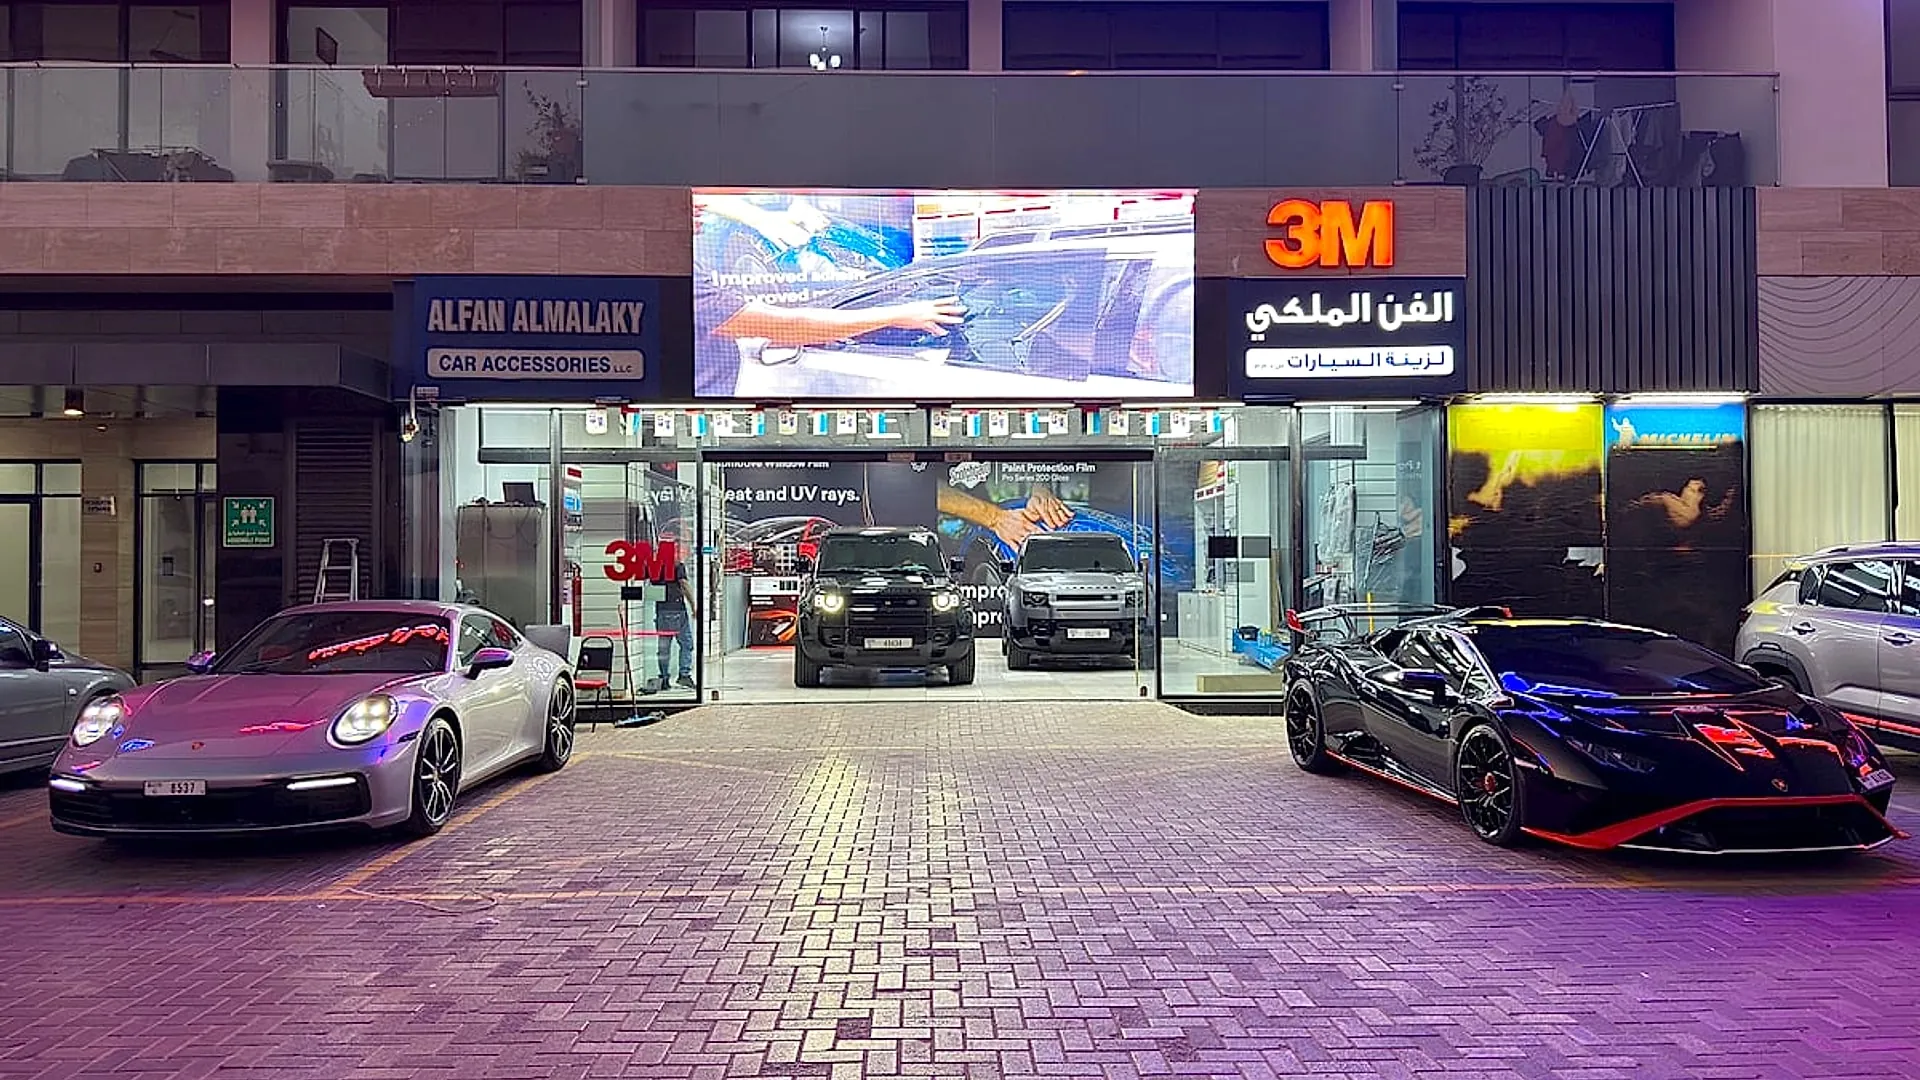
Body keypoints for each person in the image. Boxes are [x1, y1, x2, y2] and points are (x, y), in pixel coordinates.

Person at [656, 557, 697, 690]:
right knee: (686, 644)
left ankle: (663, 678)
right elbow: (684, 584)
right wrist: (694, 606)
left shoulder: (654, 565)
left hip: (661, 610)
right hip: (676, 608)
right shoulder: (677, 565)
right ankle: (684, 675)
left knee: (664, 647)